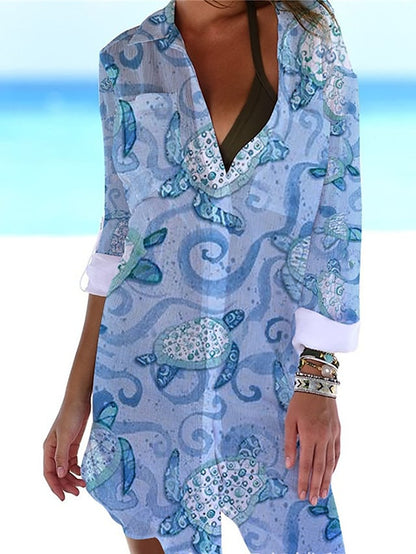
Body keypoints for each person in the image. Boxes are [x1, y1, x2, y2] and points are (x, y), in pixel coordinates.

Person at [43, 1, 361, 553]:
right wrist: (77, 396)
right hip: (143, 380)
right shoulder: (125, 58)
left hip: (270, 373)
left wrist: (318, 377)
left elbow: (337, 210)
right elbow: (120, 235)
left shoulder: (306, 33)